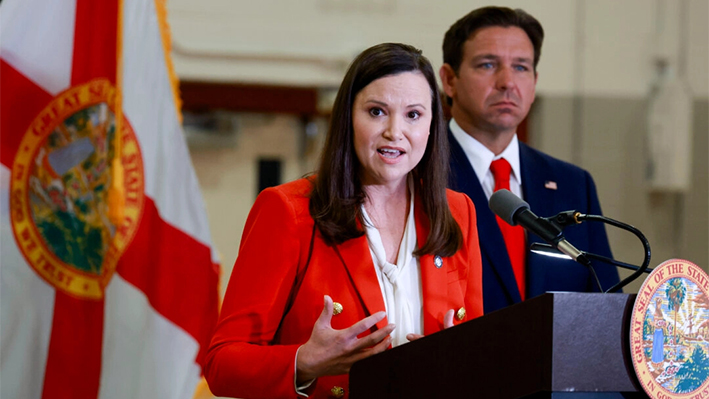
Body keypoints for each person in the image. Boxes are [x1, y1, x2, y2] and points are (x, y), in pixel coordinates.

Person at [204, 43, 483, 399]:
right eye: (377, 111)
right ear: (348, 117)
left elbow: (478, 356)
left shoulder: (458, 211)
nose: (395, 131)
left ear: (432, 125)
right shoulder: (288, 210)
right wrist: (304, 362)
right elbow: (222, 364)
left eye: (413, 114)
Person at [439, 6, 620, 314]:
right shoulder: (418, 174)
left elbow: (605, 303)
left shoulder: (573, 184)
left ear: (534, 82)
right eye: (487, 64)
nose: (507, 82)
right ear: (449, 79)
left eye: (521, 67)